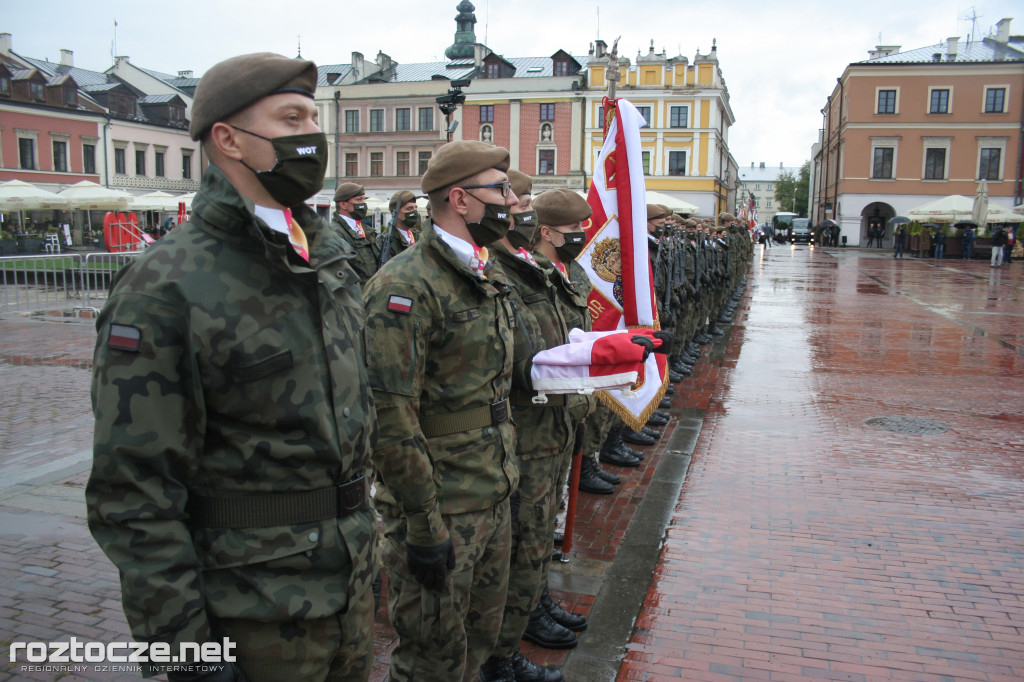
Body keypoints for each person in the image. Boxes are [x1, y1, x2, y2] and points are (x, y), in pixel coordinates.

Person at [86, 53, 379, 682]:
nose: (312, 136)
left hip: (347, 591)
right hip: (248, 615)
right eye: (291, 117)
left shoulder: (328, 258)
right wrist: (182, 650)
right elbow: (132, 491)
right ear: (229, 139)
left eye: (313, 117)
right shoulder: (166, 284)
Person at [362, 140, 519, 682]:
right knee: (431, 660)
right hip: (442, 506)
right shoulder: (403, 286)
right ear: (460, 198)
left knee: (476, 646)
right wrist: (424, 525)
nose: (512, 201)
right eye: (499, 189)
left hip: (492, 490)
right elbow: (391, 419)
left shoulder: (487, 271)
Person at [481, 179, 590, 682]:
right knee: (522, 538)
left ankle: (534, 606)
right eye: (517, 204)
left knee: (538, 533)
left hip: (552, 423)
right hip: (522, 430)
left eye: (523, 203)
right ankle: (505, 648)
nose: (519, 212)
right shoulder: (496, 271)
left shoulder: (535, 270)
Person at [332, 182, 380, 285]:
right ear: (343, 204)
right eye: (359, 200)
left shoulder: (366, 230)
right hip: (355, 294)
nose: (363, 203)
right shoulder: (336, 232)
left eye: (364, 199)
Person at [378, 190, 420, 265]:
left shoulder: (419, 237)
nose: (414, 212)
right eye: (409, 209)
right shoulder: (384, 241)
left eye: (415, 208)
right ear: (396, 213)